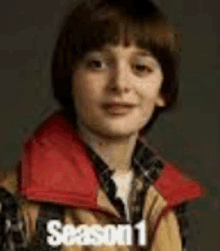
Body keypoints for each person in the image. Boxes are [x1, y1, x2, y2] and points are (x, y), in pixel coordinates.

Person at [0, 0, 204, 250]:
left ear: (163, 90)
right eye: (97, 64)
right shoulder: (14, 202)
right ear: (70, 79)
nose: (120, 84)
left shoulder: (168, 202)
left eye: (140, 68)